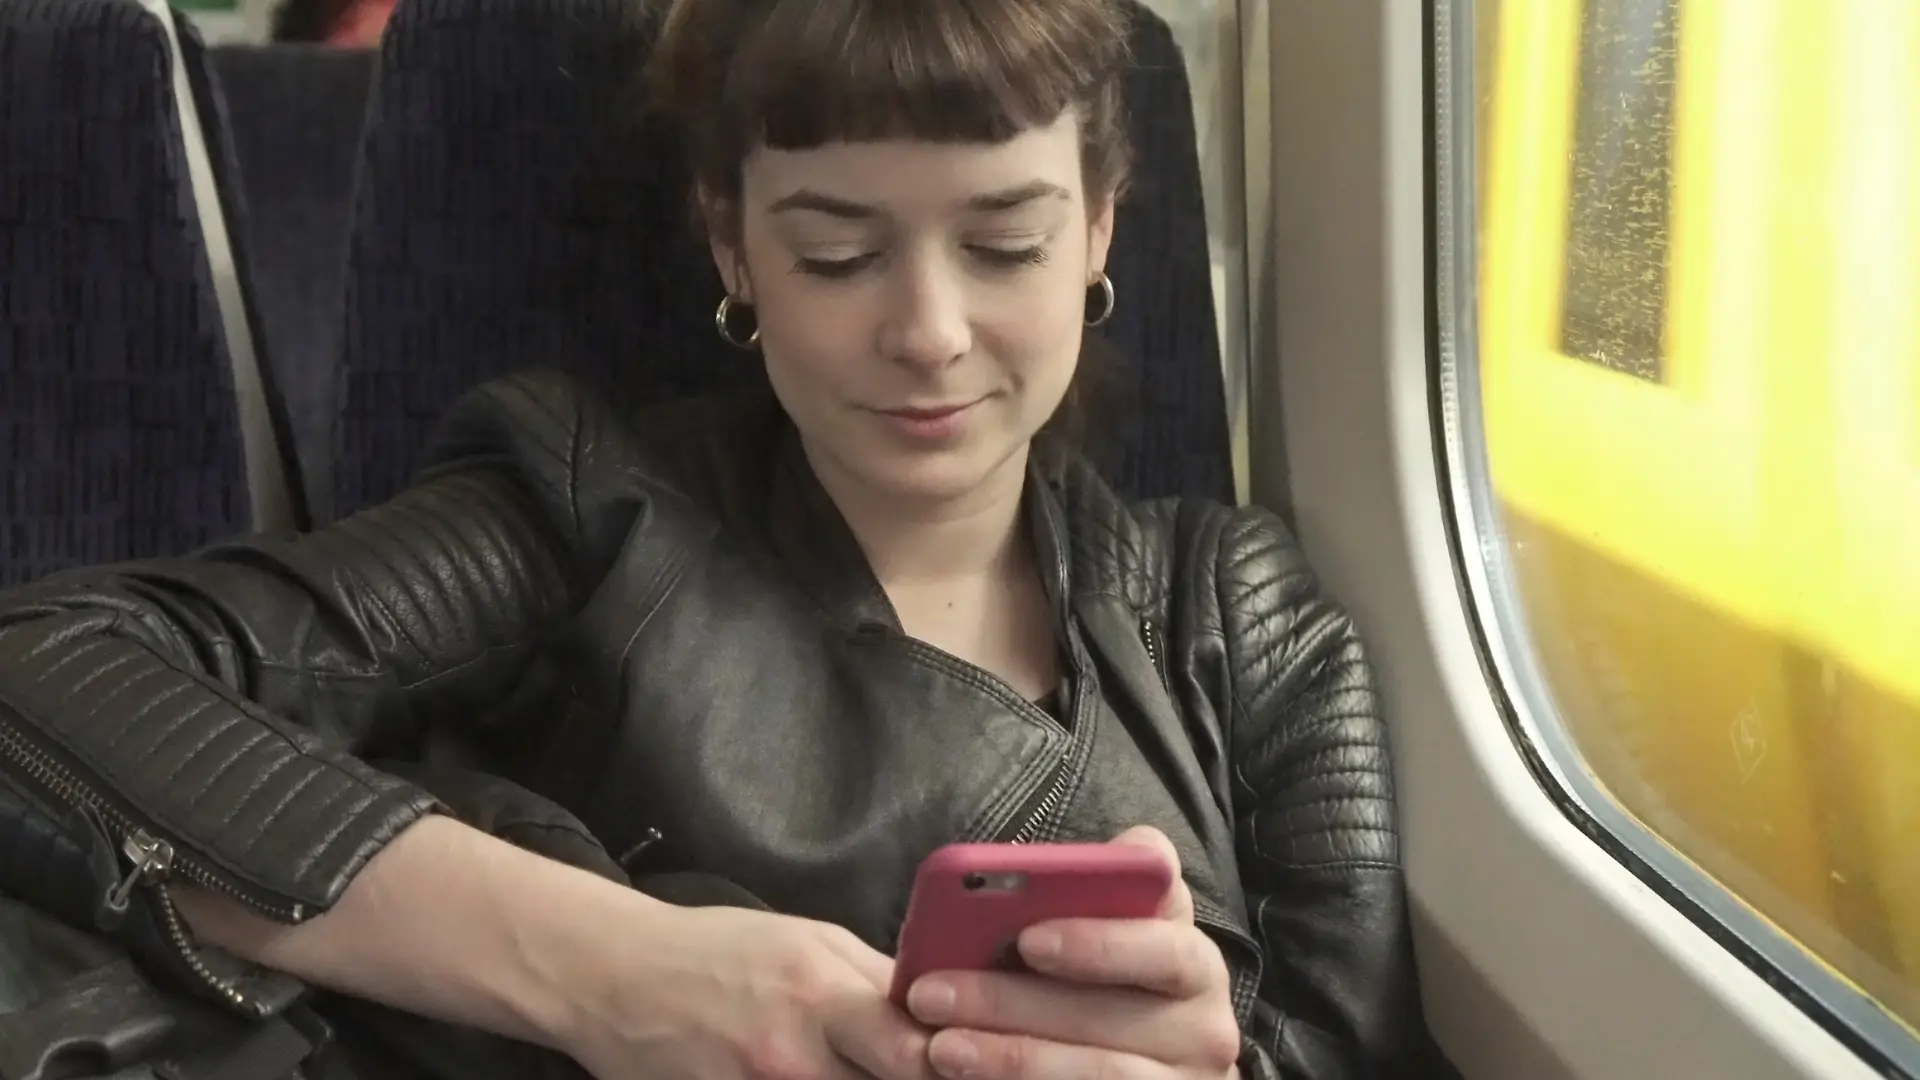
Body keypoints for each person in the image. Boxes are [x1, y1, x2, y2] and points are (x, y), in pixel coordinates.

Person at [0, 0, 1436, 1077]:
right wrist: (619, 973)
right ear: (733, 247)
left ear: (1103, 230)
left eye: (1006, 243)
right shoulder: (584, 510)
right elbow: (46, 670)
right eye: (836, 253)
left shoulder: (1243, 618)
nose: (930, 334)